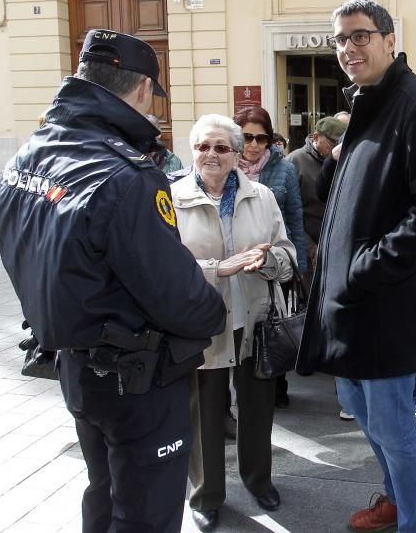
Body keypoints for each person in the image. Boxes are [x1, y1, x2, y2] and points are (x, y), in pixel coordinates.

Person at [0, 29, 227, 533]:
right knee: (145, 511)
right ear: (143, 89)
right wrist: (214, 310)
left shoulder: (27, 155)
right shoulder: (126, 174)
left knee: (103, 493)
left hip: (77, 366)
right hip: (137, 376)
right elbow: (179, 296)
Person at [297, 0, 416, 533]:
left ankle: (414, 524)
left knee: (395, 432)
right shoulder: (366, 105)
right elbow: (346, 198)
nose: (348, 48)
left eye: (360, 36)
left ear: (390, 40)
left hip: (383, 307)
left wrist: (366, 269)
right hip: (346, 310)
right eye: (340, 39)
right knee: (365, 420)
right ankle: (393, 502)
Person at [172, 114, 296, 532]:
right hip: (201, 323)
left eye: (221, 148)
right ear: (192, 151)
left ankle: (259, 480)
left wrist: (269, 261)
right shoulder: (170, 198)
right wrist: (217, 269)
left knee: (258, 408)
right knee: (204, 412)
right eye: (204, 147)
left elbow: (286, 252)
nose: (211, 155)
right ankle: (205, 495)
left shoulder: (261, 196)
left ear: (238, 155)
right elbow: (164, 268)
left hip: (255, 317)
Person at [233, 106, 307, 411]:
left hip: (275, 259)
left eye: (260, 138)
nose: (253, 145)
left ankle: (277, 382)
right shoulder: (224, 165)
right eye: (246, 137)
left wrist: (298, 265)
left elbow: (295, 218)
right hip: (236, 263)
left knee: (274, 324)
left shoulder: (284, 168)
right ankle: (239, 389)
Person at [286, 116, 346, 292]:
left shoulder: (341, 159)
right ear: (315, 137)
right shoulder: (294, 162)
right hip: (310, 251)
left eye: (340, 143)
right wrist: (311, 247)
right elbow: (290, 214)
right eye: (331, 142)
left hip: (338, 248)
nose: (335, 148)